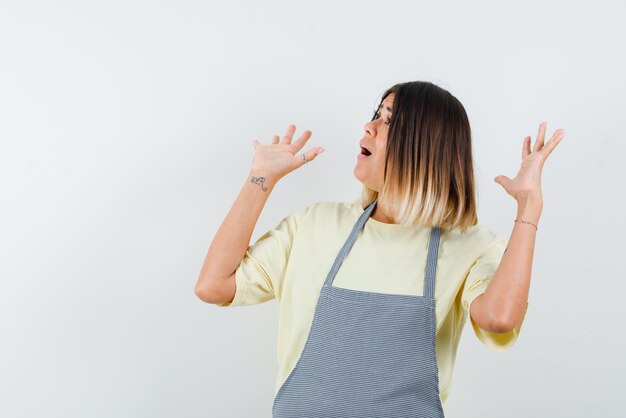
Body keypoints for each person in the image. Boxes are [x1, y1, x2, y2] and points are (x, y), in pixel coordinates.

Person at [195, 80, 565, 417]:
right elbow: (213, 285)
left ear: (425, 146)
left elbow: (498, 319)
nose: (369, 126)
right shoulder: (313, 226)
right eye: (376, 115)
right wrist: (260, 179)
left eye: (388, 120)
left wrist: (528, 209)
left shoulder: (471, 245)